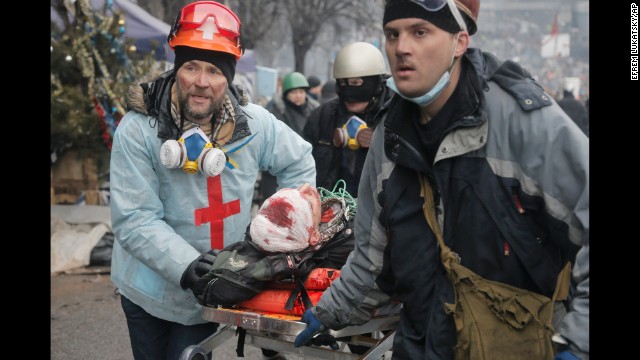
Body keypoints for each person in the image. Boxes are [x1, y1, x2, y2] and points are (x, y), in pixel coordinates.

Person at [295, 1, 589, 360]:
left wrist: (579, 342)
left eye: (420, 32)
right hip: (419, 345)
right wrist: (329, 311)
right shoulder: (389, 136)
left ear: (460, 41)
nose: (402, 47)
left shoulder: (524, 123)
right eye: (393, 34)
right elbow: (372, 257)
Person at [108, 2, 315, 360]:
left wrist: (283, 233)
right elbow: (135, 217)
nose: (202, 82)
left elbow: (298, 161)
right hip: (147, 290)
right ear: (176, 68)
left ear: (230, 75)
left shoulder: (256, 125)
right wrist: (186, 265)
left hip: (216, 290)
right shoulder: (139, 130)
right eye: (191, 67)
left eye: (215, 71)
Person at [303, 41, 393, 197]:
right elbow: (301, 168)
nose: (349, 91)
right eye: (343, 83)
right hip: (330, 213)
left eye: (356, 83)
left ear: (377, 83)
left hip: (381, 216)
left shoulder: (398, 114)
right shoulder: (322, 117)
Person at [260, 72, 320, 205]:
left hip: (305, 166)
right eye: (293, 92)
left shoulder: (314, 110)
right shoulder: (276, 111)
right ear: (286, 94)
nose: (298, 95)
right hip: (276, 172)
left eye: (301, 91)